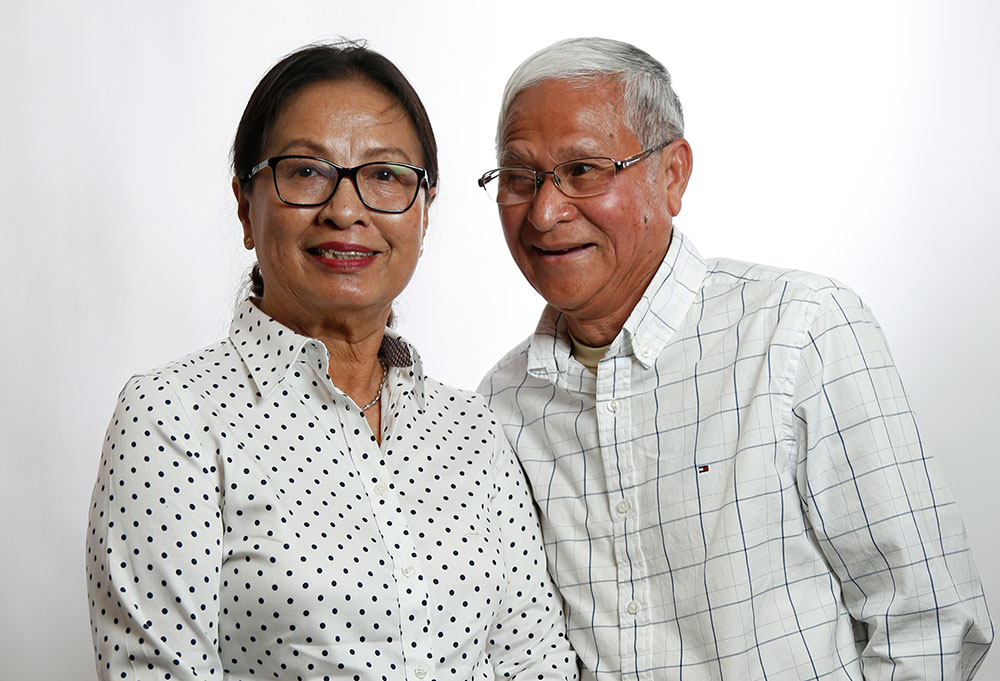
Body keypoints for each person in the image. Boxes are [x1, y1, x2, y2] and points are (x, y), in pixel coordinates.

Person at [477, 36, 993, 681]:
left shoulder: (800, 328)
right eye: (518, 178)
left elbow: (931, 625)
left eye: (583, 169)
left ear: (672, 174)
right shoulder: (499, 406)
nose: (545, 212)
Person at [86, 42, 576, 681]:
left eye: (385, 176)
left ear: (424, 214)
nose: (346, 210)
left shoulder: (473, 430)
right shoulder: (173, 417)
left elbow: (534, 660)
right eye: (306, 171)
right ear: (245, 206)